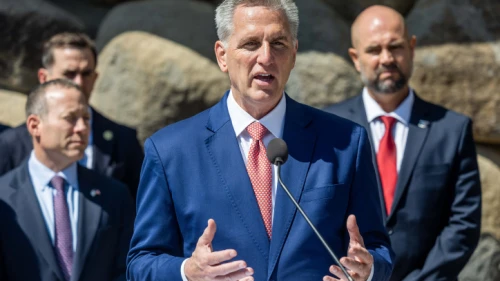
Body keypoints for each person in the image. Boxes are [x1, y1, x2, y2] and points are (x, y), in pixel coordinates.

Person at [127, 1, 393, 281]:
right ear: (222, 56)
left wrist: (369, 268)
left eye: (278, 43)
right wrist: (188, 272)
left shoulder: (346, 142)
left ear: (294, 54)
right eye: (251, 44)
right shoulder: (170, 150)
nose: (266, 57)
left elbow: (379, 249)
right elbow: (141, 262)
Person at [324, 5, 481, 281]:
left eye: (395, 47)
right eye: (374, 50)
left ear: (411, 48)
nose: (386, 58)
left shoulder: (451, 130)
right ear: (355, 58)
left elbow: (463, 224)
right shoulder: (330, 128)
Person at [0, 79, 134, 281]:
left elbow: (126, 269)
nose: (82, 128)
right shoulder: (3, 199)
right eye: (70, 118)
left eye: (86, 118)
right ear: (35, 125)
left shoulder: (115, 195)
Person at [0, 32, 144, 198]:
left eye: (86, 74)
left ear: (95, 78)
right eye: (69, 74)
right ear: (44, 77)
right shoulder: (10, 144)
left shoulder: (123, 140)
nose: (79, 83)